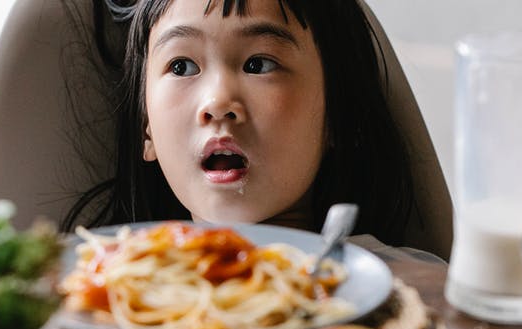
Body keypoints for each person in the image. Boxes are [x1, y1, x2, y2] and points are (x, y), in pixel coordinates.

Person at [64, 0, 423, 249]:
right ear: (147, 127)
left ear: (338, 116)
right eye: (182, 67)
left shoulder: (397, 289)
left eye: (259, 64)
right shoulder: (105, 296)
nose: (218, 102)